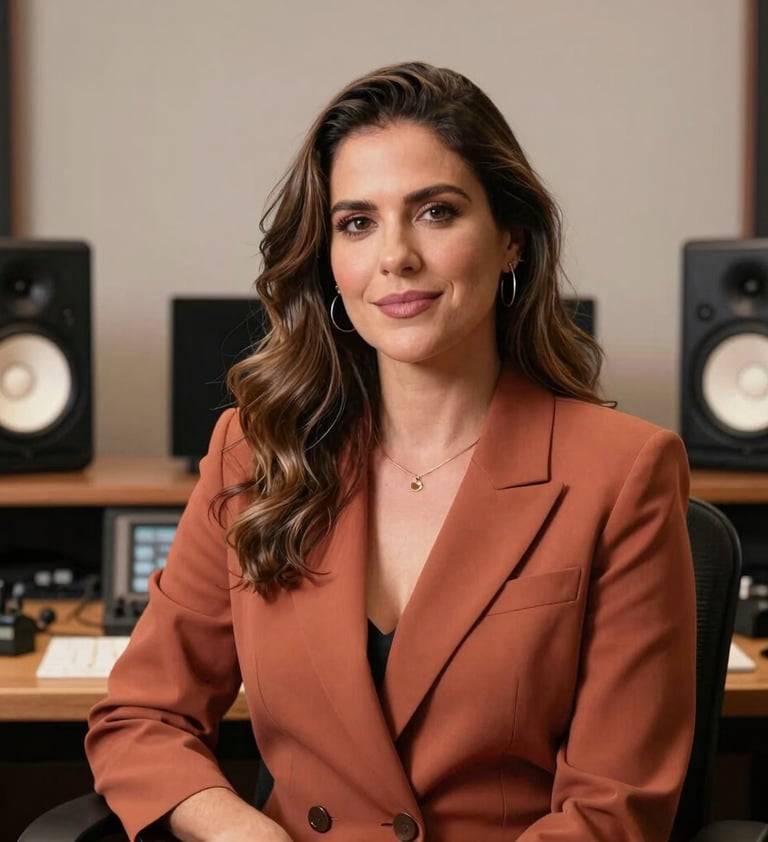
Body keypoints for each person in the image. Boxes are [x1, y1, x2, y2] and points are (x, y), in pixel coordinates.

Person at [86, 61, 696, 842]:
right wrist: (246, 834)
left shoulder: (624, 471)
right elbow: (142, 717)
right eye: (357, 223)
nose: (396, 256)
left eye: (436, 212)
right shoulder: (256, 451)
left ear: (510, 240)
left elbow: (612, 810)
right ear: (328, 259)